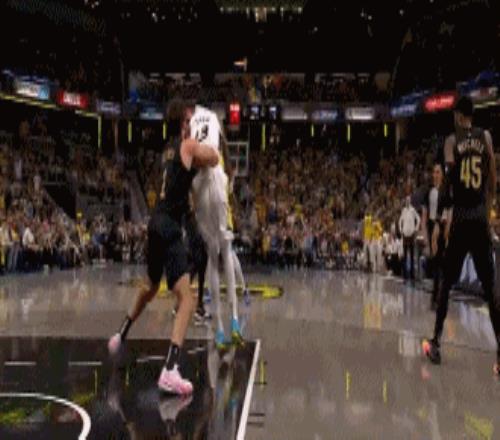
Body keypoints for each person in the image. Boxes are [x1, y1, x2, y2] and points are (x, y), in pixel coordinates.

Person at [108, 99, 220, 395]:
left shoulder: (168, 151)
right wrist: (210, 132)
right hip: (169, 226)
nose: (193, 122)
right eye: (190, 119)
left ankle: (120, 334)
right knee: (187, 300)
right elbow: (214, 158)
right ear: (184, 122)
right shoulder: (188, 146)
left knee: (150, 286)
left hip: (155, 222)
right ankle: (170, 370)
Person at [423, 96, 500, 375]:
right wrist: (486, 209)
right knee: (490, 289)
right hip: (479, 218)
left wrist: (441, 216)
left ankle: (436, 342)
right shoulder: (486, 137)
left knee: (446, 282)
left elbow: (448, 184)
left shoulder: (451, 141)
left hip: (461, 218)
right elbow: (492, 179)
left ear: (458, 115)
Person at [189, 105, 244, 349]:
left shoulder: (192, 124)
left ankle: (219, 328)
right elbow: (225, 153)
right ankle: (234, 321)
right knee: (227, 252)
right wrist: (230, 177)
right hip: (217, 180)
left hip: (198, 186)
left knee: (212, 257)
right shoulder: (213, 120)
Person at [421, 164, 445, 309]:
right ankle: (435, 298)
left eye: (438, 172)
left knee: (440, 265)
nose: (435, 175)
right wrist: (426, 238)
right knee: (436, 264)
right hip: (431, 227)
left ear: (442, 174)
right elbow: (424, 217)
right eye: (434, 172)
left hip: (442, 227)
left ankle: (437, 298)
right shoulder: (428, 192)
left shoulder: (445, 191)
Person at [398, 196, 421, 281]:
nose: (407, 202)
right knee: (404, 254)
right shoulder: (403, 210)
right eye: (406, 200)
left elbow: (418, 219)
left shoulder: (413, 210)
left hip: (411, 234)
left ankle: (412, 274)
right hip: (405, 234)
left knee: (411, 254)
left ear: (410, 201)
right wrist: (401, 229)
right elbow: (400, 221)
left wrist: (416, 229)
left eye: (408, 200)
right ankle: (405, 275)